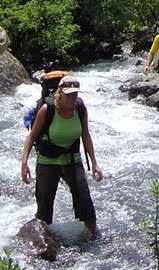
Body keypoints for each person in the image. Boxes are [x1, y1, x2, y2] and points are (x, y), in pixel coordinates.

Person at [21, 74, 102, 234]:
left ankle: (92, 237)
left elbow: (85, 134)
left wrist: (94, 163)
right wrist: (24, 164)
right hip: (48, 161)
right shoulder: (47, 109)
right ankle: (44, 242)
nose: (73, 99)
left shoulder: (80, 108)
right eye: (69, 95)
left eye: (75, 95)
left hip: (72, 159)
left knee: (85, 202)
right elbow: (31, 137)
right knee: (44, 210)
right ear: (60, 94)